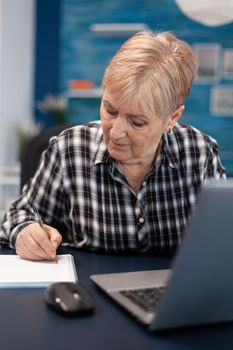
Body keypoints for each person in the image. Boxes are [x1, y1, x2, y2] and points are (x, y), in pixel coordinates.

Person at [0, 31, 226, 260]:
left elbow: (224, 234)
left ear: (172, 118)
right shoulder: (69, 149)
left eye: (137, 122)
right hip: (88, 289)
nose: (116, 132)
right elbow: (19, 215)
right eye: (110, 110)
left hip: (174, 291)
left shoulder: (199, 153)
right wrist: (24, 232)